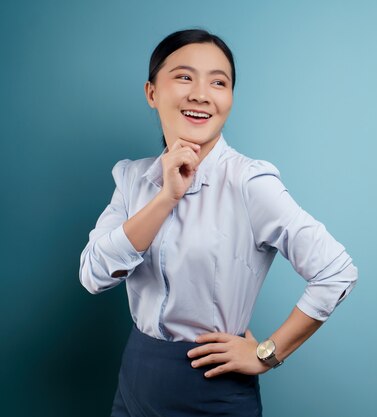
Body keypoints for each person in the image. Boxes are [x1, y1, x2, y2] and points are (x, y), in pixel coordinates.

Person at [78, 28, 358, 416]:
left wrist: (267, 354)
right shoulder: (131, 179)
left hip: (210, 389)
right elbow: (93, 276)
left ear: (229, 99)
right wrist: (165, 198)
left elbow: (336, 271)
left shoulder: (249, 182)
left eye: (218, 82)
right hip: (135, 377)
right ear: (152, 92)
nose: (200, 94)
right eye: (183, 76)